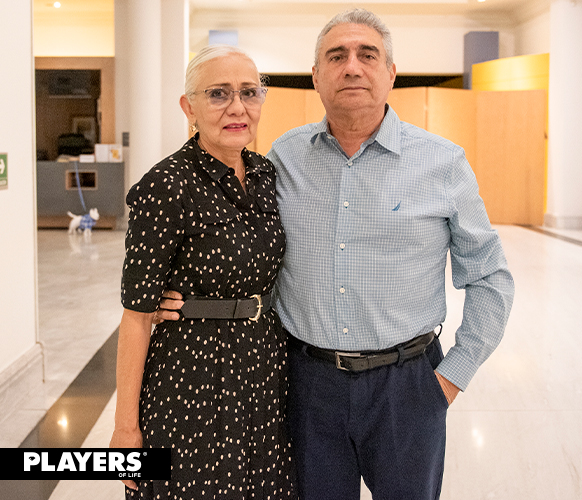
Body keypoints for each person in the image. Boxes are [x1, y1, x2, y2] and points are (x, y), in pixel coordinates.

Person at [158, 8, 515, 500]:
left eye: (367, 55)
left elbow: (490, 276)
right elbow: (249, 245)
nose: (351, 67)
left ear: (391, 73)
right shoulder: (283, 157)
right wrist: (193, 298)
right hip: (306, 385)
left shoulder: (442, 162)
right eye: (336, 56)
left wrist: (452, 377)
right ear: (316, 76)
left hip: (407, 387)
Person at [110, 44, 296, 499]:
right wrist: (125, 428)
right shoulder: (165, 186)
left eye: (249, 92)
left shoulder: (265, 175)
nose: (237, 107)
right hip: (191, 375)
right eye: (218, 93)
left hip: (264, 367)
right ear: (188, 107)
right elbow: (136, 316)